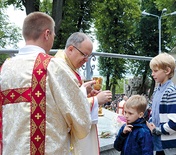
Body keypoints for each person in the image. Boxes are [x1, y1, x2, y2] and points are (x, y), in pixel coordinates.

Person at [0, 12, 92, 155]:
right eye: (54, 35)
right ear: (47, 34)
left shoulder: (4, 68)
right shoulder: (53, 66)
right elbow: (81, 119)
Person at [55, 32, 112, 155]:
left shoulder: (68, 66)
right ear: (71, 49)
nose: (86, 61)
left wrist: (84, 92)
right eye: (85, 55)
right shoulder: (60, 69)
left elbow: (70, 98)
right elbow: (68, 109)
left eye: (89, 57)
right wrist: (96, 100)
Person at [147, 53, 176, 155]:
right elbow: (153, 113)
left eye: (155, 71)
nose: (152, 74)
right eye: (152, 71)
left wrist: (156, 130)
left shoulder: (171, 92)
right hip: (159, 144)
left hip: (171, 147)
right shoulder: (157, 90)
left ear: (167, 71)